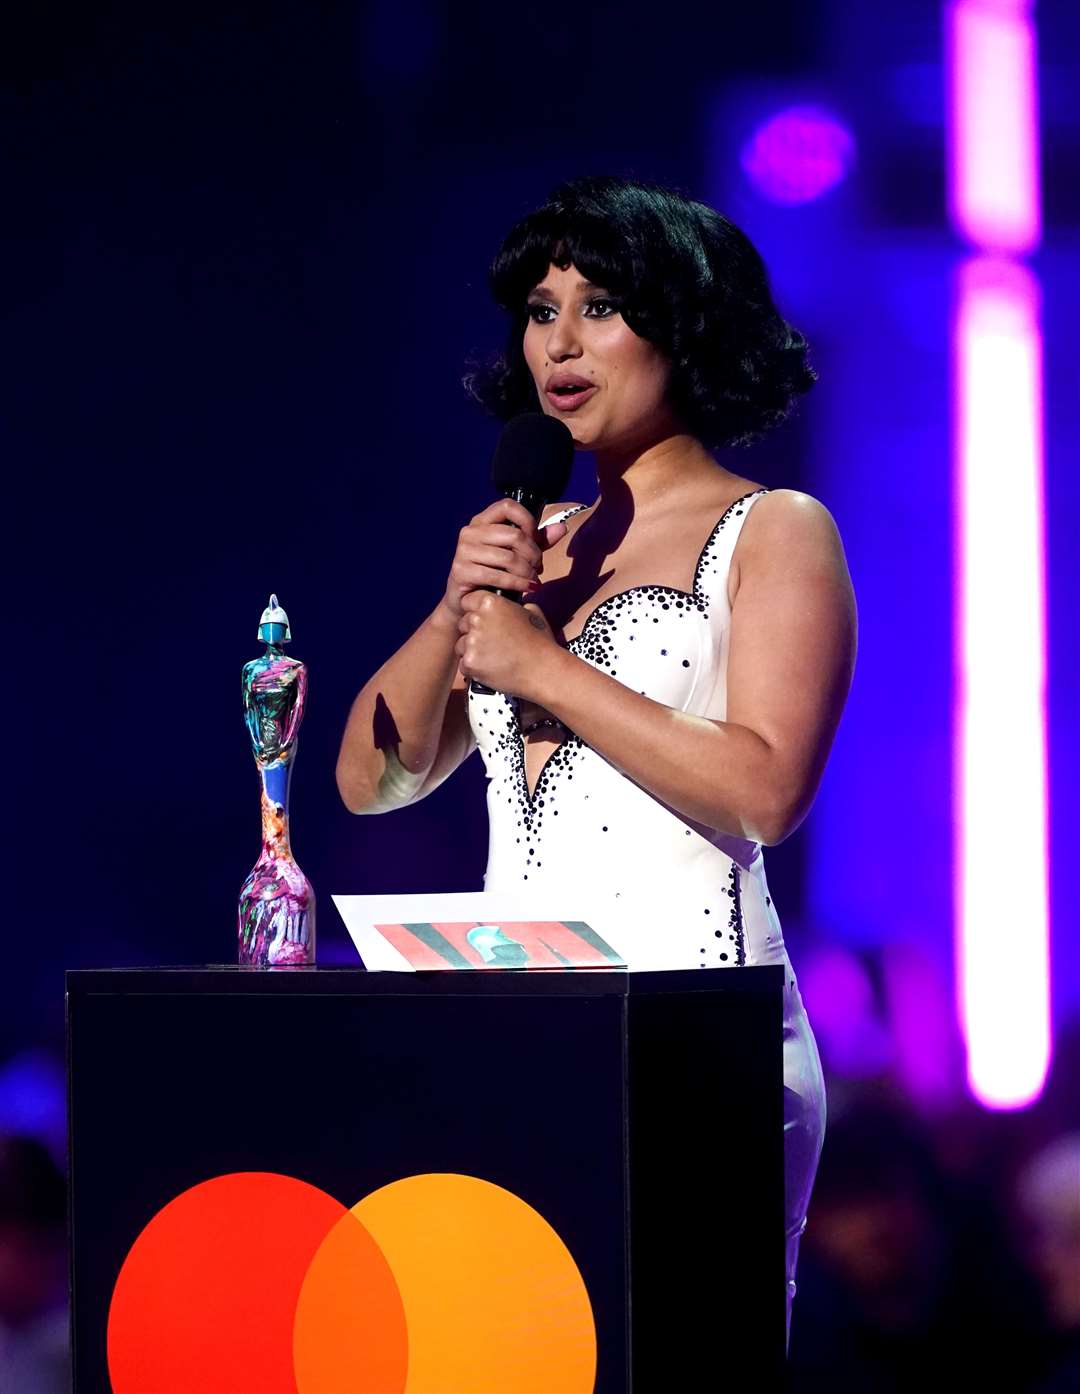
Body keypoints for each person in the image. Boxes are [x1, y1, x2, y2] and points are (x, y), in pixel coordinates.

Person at [336, 174, 858, 1345]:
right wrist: (459, 604)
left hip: (695, 1033)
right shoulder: (538, 548)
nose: (559, 344)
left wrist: (544, 668)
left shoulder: (774, 528)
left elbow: (768, 789)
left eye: (602, 306)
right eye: (539, 308)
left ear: (687, 324)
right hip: (511, 1024)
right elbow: (373, 781)